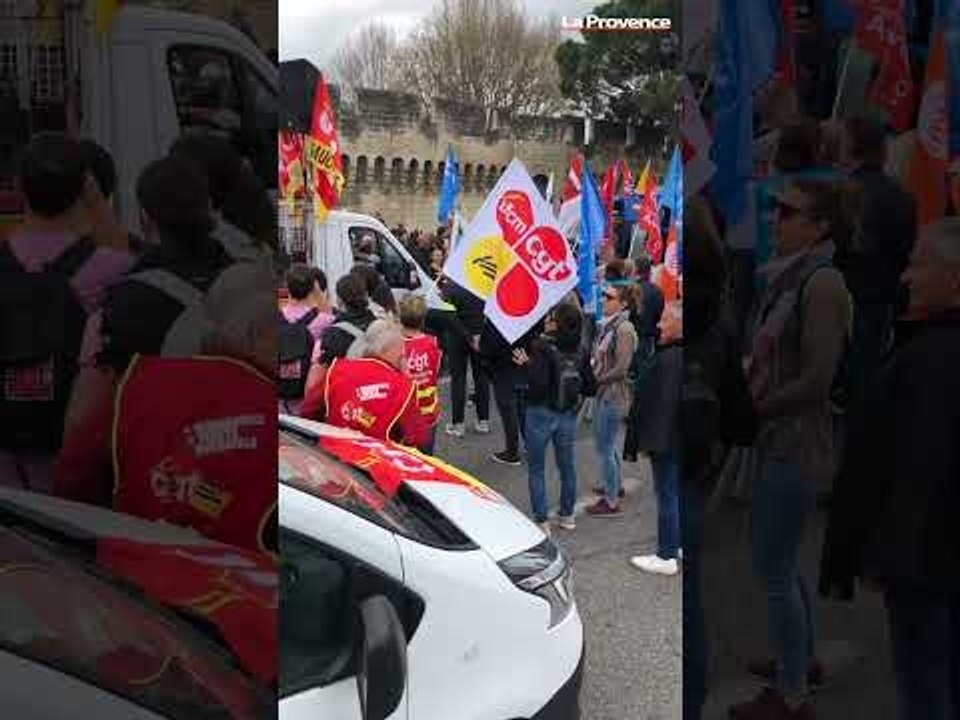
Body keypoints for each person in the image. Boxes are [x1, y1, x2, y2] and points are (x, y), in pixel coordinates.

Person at [820, 217, 960, 720]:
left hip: (926, 571)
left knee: (927, 691)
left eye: (919, 265)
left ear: (954, 280)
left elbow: (915, 473)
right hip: (930, 563)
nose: (906, 276)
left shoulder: (930, 361)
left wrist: (881, 561)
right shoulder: (921, 349)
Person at [730, 179, 852, 719]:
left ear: (820, 226)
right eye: (775, 209)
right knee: (781, 562)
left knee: (773, 568)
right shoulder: (791, 277)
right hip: (780, 436)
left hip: (796, 441)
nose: (776, 220)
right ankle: (797, 658)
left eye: (789, 212)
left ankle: (793, 692)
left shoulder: (821, 283)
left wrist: (755, 409)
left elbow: (817, 379)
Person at [53, 267, 277, 554]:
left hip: (132, 567)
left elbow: (74, 476)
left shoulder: (135, 381)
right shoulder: (273, 408)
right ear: (257, 334)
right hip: (241, 577)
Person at [0, 133, 133, 493]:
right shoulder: (109, 268)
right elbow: (127, 257)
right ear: (84, 190)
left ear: (18, 187)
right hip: (69, 452)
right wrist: (97, 202)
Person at [835, 115, 917, 412]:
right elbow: (905, 249)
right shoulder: (902, 196)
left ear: (852, 146)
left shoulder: (844, 193)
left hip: (847, 290)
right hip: (881, 295)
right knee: (866, 369)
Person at [515, 301, 594, 534]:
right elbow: (590, 386)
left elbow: (538, 384)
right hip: (566, 413)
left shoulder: (541, 346)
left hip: (540, 412)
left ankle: (542, 520)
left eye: (550, 317)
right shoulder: (581, 349)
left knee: (536, 469)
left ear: (557, 323)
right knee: (567, 467)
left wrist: (527, 365)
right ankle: (567, 515)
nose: (547, 320)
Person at [300, 319, 429, 449]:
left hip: (332, 452)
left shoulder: (337, 369)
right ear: (397, 353)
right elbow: (418, 438)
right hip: (374, 458)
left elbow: (308, 411)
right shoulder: (404, 387)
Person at [628, 300, 683, 576]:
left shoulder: (670, 359)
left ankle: (666, 555)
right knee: (677, 492)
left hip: (668, 440)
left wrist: (651, 443)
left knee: (667, 494)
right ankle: (678, 543)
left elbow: (663, 405)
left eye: (665, 320)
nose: (659, 325)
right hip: (681, 437)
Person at [585, 283, 640, 517]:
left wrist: (596, 380)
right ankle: (614, 486)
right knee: (608, 446)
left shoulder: (623, 328)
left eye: (609, 297)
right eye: (604, 296)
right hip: (607, 394)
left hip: (612, 395)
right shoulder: (611, 325)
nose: (603, 300)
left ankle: (611, 501)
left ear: (623, 303)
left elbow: (621, 368)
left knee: (605, 448)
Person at [280, 265, 334, 412]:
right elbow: (329, 311)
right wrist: (317, 290)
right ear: (312, 289)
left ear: (287, 288)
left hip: (279, 395)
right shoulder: (322, 320)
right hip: (305, 395)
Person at [442, 279, 491, 438]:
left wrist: (467, 337)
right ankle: (483, 421)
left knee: (458, 379)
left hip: (456, 336)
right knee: (481, 377)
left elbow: (448, 316)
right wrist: (476, 335)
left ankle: (458, 424)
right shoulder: (483, 282)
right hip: (480, 334)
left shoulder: (451, 285)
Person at [399, 295, 443, 455]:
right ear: (423, 319)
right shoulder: (433, 342)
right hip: (428, 409)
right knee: (426, 457)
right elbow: (436, 372)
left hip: (404, 412)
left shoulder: (395, 345)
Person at [315, 272, 377, 367]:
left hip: (347, 375)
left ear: (339, 299)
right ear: (365, 295)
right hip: (375, 375)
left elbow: (326, 365)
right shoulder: (380, 327)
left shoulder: (333, 334)